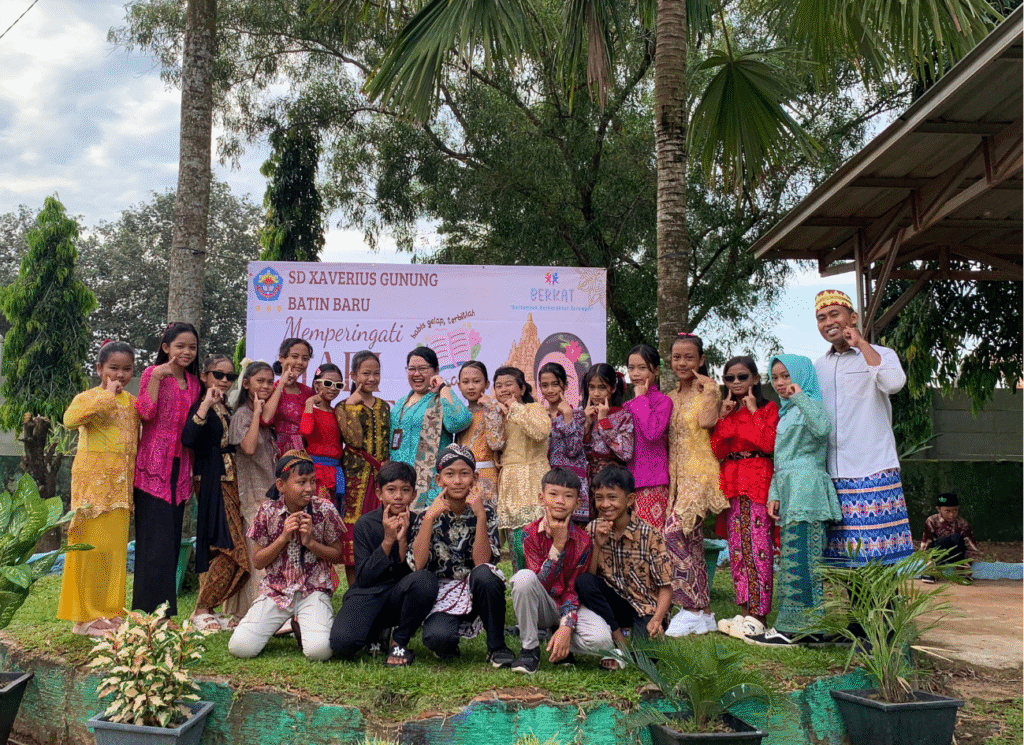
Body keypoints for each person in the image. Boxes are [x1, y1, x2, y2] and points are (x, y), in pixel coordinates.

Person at [745, 355, 842, 647]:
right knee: (792, 560)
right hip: (789, 492)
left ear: (802, 376)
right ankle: (800, 627)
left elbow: (823, 428)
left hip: (808, 492)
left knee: (804, 560)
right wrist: (774, 493)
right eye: (775, 377)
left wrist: (800, 397)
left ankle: (802, 628)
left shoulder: (810, 405)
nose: (780, 383)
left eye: (786, 376)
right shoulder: (786, 414)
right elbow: (781, 459)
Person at [813, 290, 914, 569]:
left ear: (853, 317)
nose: (828, 322)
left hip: (873, 470)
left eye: (834, 314)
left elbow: (893, 384)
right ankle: (854, 603)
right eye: (821, 318)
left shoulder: (882, 354)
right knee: (845, 562)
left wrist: (861, 344)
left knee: (880, 560)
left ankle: (887, 601)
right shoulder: (818, 367)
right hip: (833, 476)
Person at [57, 341, 140, 636]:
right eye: (113, 368)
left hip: (121, 489)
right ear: (99, 369)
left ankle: (110, 610)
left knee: (113, 551)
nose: (120, 375)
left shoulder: (133, 404)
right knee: (90, 550)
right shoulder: (89, 397)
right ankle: (84, 619)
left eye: (126, 369)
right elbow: (69, 420)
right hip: (91, 487)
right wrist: (106, 396)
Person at [228, 451, 344, 662]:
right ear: (281, 485)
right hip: (276, 591)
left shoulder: (324, 509)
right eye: (301, 482)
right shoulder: (267, 511)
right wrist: (282, 538)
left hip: (313, 590)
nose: (309, 488)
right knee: (240, 647)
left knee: (319, 651)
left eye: (312, 481)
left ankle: (304, 622)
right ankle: (289, 622)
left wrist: (310, 543)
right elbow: (258, 561)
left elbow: (337, 555)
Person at [407, 444, 515, 667]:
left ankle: (496, 646)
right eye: (450, 474)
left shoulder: (486, 512)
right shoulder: (426, 515)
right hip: (442, 594)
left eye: (464, 474)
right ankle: (448, 642)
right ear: (439, 480)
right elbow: (418, 564)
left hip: (476, 589)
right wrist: (429, 519)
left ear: (474, 478)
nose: (457, 481)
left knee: (486, 576)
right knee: (438, 639)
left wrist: (480, 516)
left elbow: (483, 563)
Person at [329, 461, 438, 666]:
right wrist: (388, 541)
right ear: (379, 494)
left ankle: (399, 641)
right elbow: (364, 579)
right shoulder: (364, 524)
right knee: (342, 645)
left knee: (425, 580)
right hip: (368, 593)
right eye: (391, 490)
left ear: (414, 494)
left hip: (400, 595)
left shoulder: (419, 524)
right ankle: (376, 630)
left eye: (405, 490)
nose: (398, 496)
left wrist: (402, 541)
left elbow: (416, 572)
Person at [509, 467, 610, 675]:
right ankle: (530, 649)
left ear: (577, 503)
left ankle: (559, 640)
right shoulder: (529, 533)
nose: (560, 501)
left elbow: (574, 589)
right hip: (541, 605)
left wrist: (566, 626)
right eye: (553, 494)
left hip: (569, 605)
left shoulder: (583, 541)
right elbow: (540, 583)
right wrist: (558, 545)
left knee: (602, 641)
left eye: (568, 496)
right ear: (542, 498)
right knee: (523, 579)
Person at [132, 322, 201, 616]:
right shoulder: (153, 373)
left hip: (180, 468)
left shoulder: (195, 383)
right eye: (180, 346)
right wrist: (158, 376)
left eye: (192, 347)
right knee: (153, 541)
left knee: (171, 542)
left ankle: (165, 612)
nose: (186, 352)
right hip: (152, 466)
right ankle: (145, 613)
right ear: (166, 348)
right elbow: (145, 412)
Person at [576, 465, 673, 667]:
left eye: (612, 497)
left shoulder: (650, 535)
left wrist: (657, 619)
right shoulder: (593, 529)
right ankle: (618, 638)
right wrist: (597, 545)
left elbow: (665, 587)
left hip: (645, 607)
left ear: (629, 500)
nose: (605, 504)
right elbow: (589, 579)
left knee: (647, 658)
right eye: (599, 498)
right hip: (611, 605)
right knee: (583, 580)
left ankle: (634, 645)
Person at [663, 333, 727, 637]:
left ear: (701, 360)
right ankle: (705, 614)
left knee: (673, 534)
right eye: (677, 357)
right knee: (692, 544)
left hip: (701, 475)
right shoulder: (671, 396)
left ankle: (689, 607)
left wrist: (712, 390)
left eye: (689, 357)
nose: (682, 363)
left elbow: (706, 422)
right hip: (677, 479)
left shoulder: (708, 390)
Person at [710, 356, 778, 638]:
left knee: (758, 549)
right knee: (738, 549)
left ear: (755, 379)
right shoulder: (727, 411)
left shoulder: (768, 408)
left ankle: (758, 614)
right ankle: (744, 610)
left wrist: (752, 412)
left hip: (758, 481)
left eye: (742, 377)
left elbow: (768, 444)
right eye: (729, 378)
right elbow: (718, 449)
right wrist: (724, 417)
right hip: (733, 483)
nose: (736, 382)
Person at [181, 355, 249, 631]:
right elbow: (188, 438)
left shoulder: (226, 408)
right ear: (205, 376)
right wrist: (206, 403)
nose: (224, 381)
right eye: (218, 375)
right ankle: (200, 609)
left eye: (230, 377)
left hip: (231, 481)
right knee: (227, 545)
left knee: (219, 544)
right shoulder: (201, 405)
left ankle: (208, 608)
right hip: (211, 480)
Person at [225, 361, 279, 621]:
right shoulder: (242, 415)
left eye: (270, 381)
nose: (266, 386)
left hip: (268, 488)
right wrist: (256, 413)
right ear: (246, 383)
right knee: (257, 551)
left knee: (264, 549)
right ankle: (260, 613)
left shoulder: (265, 414)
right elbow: (248, 448)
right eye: (260, 381)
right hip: (252, 491)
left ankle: (253, 610)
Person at [391, 347, 472, 509]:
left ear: (435, 371)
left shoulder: (441, 398)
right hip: (401, 485)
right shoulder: (400, 403)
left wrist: (443, 388)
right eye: (412, 369)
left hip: (430, 486)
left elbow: (458, 421)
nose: (416, 374)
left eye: (422, 369)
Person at [336, 350, 391, 562]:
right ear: (353, 375)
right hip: (355, 477)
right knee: (353, 528)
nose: (372, 378)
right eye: (366, 373)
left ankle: (376, 575)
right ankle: (354, 581)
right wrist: (351, 407)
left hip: (380, 477)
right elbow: (354, 441)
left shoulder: (384, 406)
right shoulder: (343, 406)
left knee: (380, 526)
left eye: (376, 373)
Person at [300, 363, 349, 581]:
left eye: (338, 385)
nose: (333, 389)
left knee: (330, 525)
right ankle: (310, 574)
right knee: (316, 522)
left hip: (335, 472)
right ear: (316, 384)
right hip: (318, 472)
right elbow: (306, 430)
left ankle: (326, 576)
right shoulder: (312, 409)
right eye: (328, 383)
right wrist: (309, 404)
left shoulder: (337, 412)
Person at [493, 366, 551, 530]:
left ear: (523, 388)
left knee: (537, 530)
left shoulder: (534, 408)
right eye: (499, 386)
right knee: (514, 537)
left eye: (508, 384)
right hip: (509, 480)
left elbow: (540, 432)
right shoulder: (498, 413)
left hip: (533, 477)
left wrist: (515, 407)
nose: (503, 389)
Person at [623, 344, 672, 530]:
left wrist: (641, 399)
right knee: (631, 536)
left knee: (650, 536)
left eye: (642, 368)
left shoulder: (663, 402)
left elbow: (652, 433)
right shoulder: (628, 404)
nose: (635, 373)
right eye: (631, 368)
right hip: (629, 481)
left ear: (656, 370)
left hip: (653, 481)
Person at [582, 363, 634, 522]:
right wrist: (587, 424)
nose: (596, 393)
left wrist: (603, 421)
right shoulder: (584, 414)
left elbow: (626, 453)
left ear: (612, 388)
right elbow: (578, 452)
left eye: (602, 387)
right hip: (589, 479)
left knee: (611, 522)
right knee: (591, 526)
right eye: (592, 387)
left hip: (613, 479)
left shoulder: (623, 416)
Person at [539, 362, 589, 523]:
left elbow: (573, 449)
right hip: (549, 483)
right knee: (549, 529)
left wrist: (567, 415)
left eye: (555, 384)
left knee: (575, 532)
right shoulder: (539, 416)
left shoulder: (577, 414)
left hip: (573, 482)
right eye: (545, 385)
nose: (550, 390)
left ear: (565, 385)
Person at [456, 361, 503, 504]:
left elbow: (496, 443)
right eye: (465, 382)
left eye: (476, 381)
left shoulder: (494, 409)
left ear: (487, 384)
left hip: (486, 476)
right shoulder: (460, 414)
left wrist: (491, 407)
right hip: (462, 478)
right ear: (459, 385)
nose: (471, 386)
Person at [261, 338, 314, 456]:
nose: (300, 362)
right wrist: (281, 384)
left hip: (304, 454)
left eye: (305, 358)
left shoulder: (308, 392)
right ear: (281, 358)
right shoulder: (270, 389)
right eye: (294, 356)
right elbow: (265, 419)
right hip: (277, 453)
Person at [920, 493, 980, 581]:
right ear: (939, 509)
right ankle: (933, 571)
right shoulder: (931, 521)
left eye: (955, 510)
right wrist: (930, 563)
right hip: (938, 556)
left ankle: (960, 571)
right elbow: (926, 544)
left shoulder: (962, 523)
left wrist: (967, 565)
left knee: (957, 538)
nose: (952, 514)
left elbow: (971, 547)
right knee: (941, 541)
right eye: (947, 511)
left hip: (955, 556)